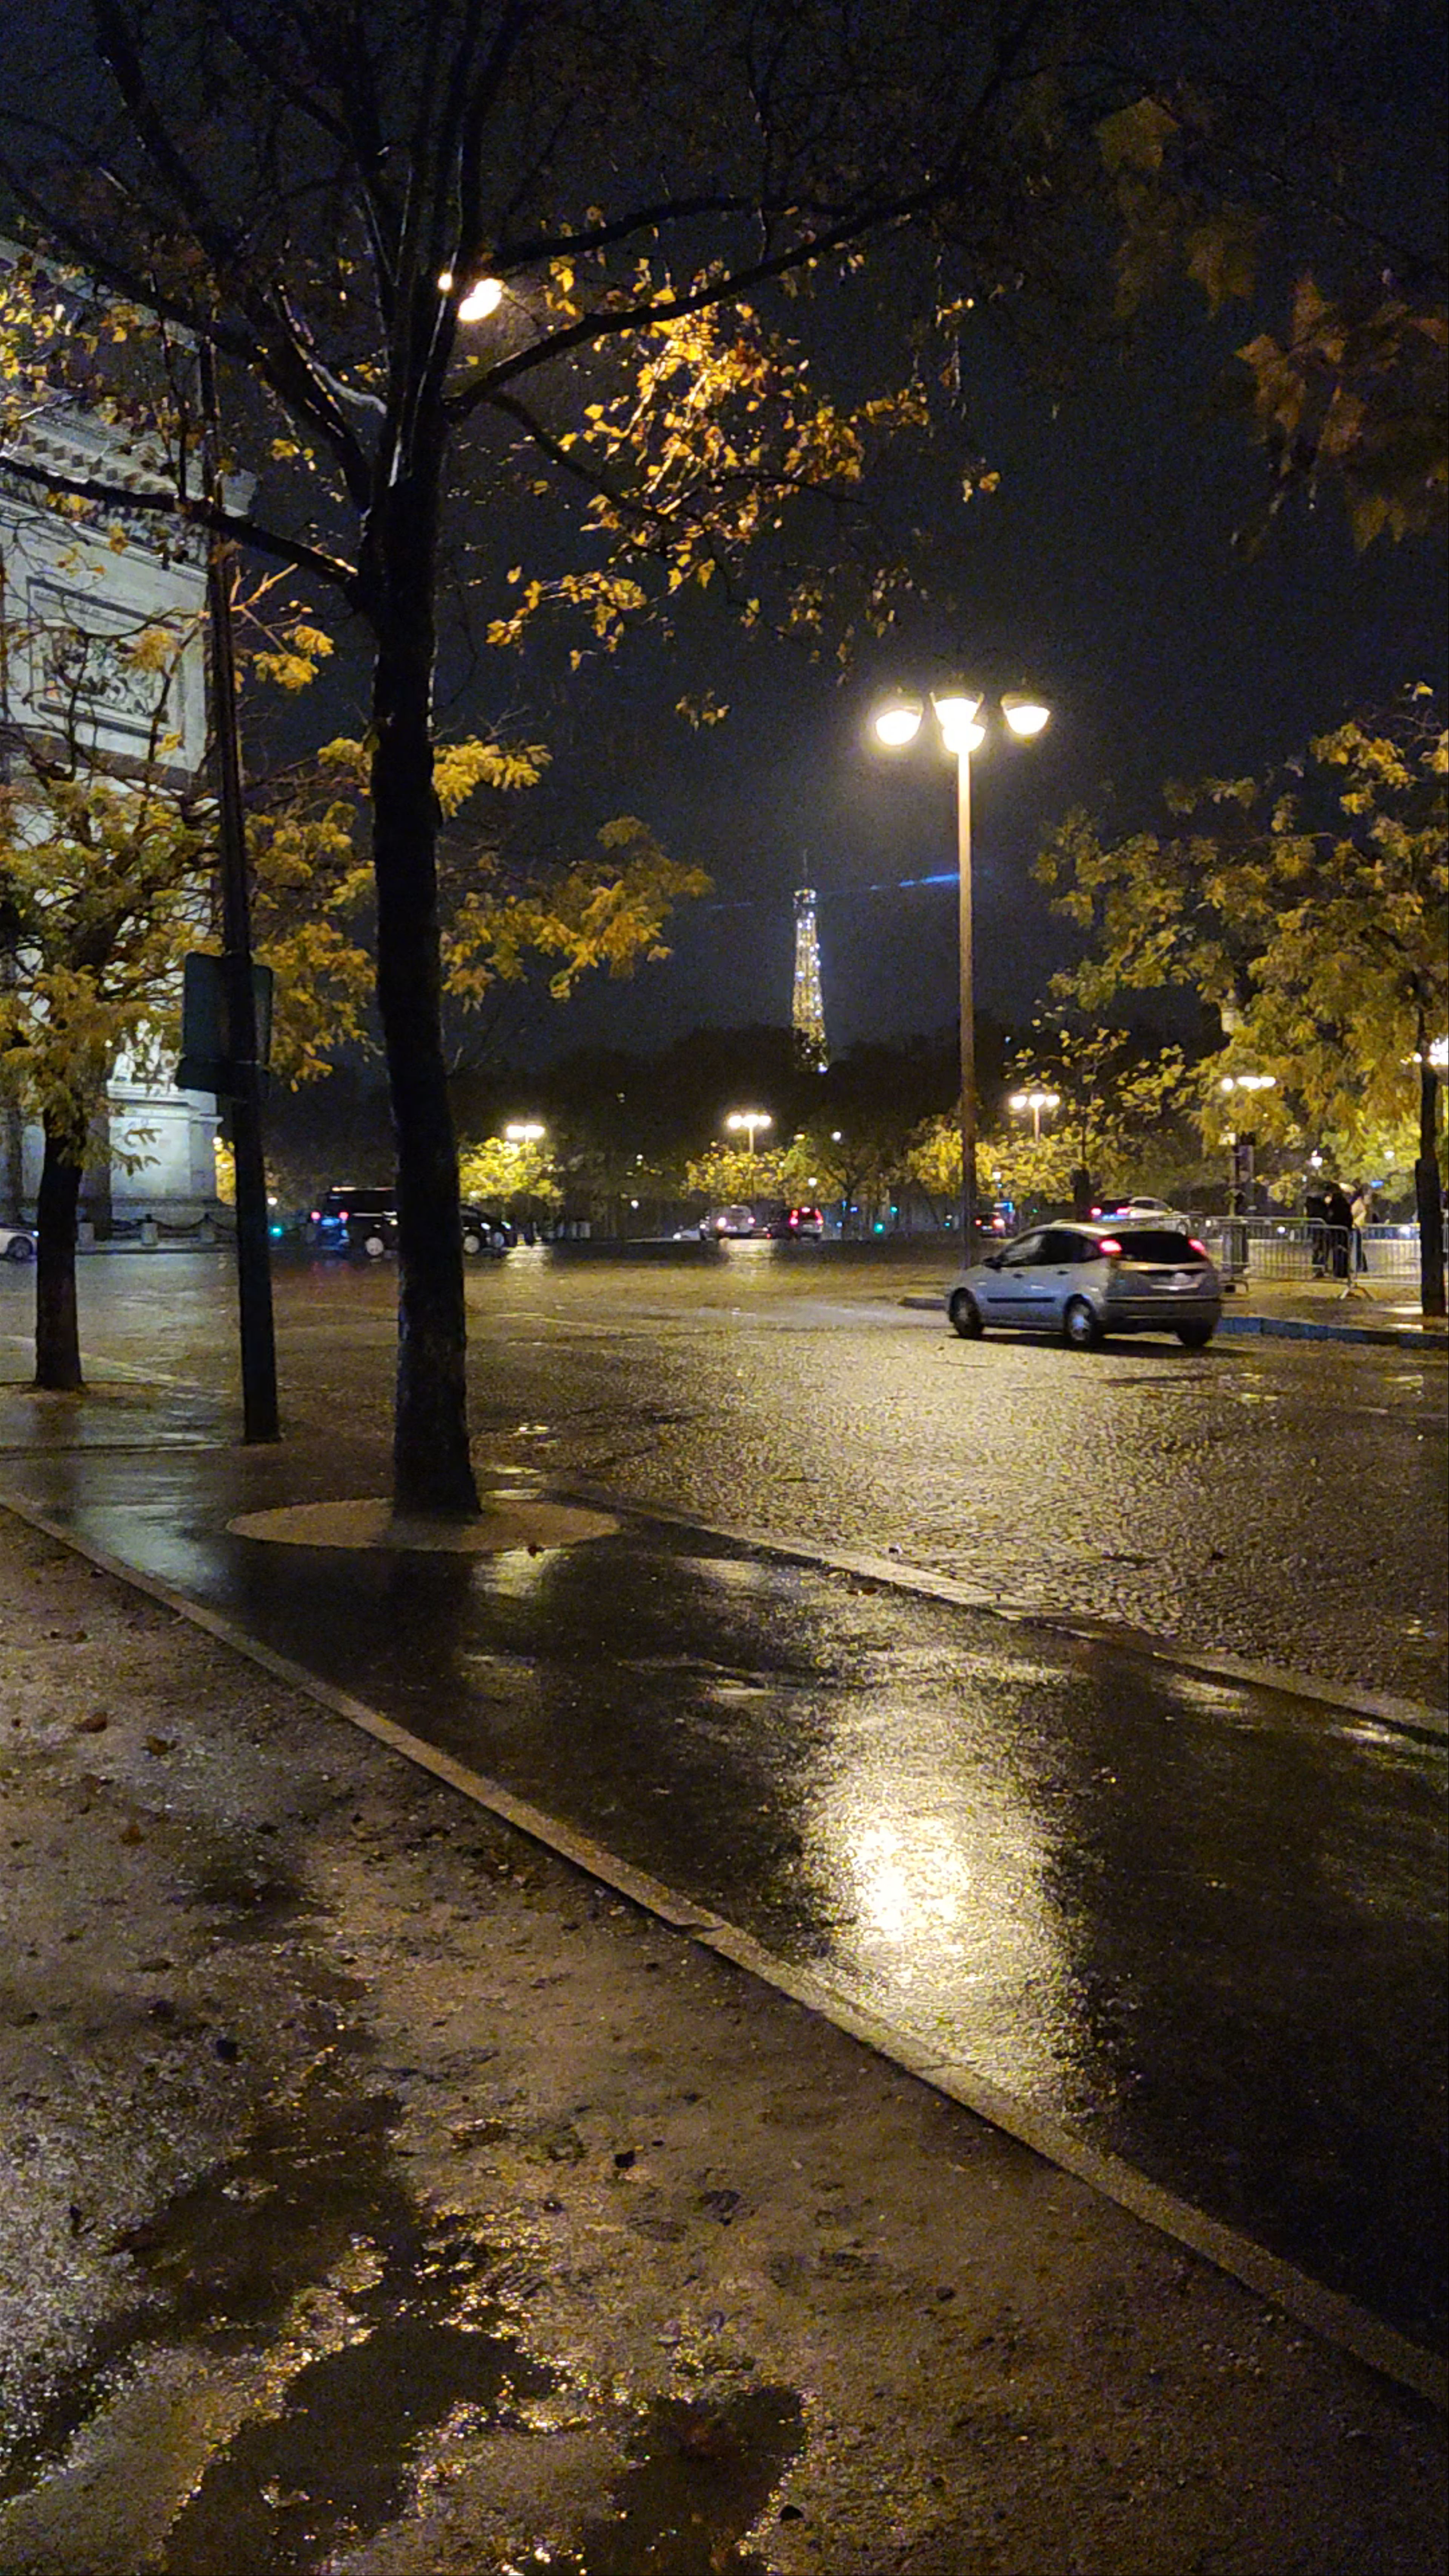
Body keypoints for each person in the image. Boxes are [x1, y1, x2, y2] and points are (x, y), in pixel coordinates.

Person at [1323, 1180, 1354, 1279]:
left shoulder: (1336, 1202)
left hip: (1338, 1229)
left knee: (1338, 1250)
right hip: (1343, 1229)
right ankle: (1342, 1271)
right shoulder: (1343, 1201)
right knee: (1342, 1251)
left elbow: (1333, 1215)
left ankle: (1339, 1271)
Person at [1349, 1182, 1371, 1273]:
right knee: (1359, 1248)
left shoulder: (1358, 1203)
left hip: (1356, 1227)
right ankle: (1362, 1266)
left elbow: (1352, 1213)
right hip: (1359, 1227)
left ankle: (1361, 1266)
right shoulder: (1362, 1203)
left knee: (1356, 1247)